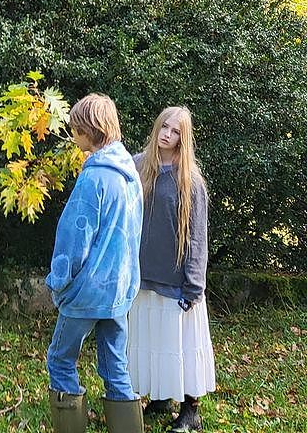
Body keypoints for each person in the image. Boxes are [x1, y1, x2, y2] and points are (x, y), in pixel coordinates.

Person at [46, 93, 144, 433]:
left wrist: (58, 282)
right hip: (119, 291)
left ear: (90, 129)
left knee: (60, 360)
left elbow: (74, 240)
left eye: (77, 128)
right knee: (116, 366)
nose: (73, 135)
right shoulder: (130, 175)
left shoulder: (93, 179)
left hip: (87, 294)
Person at [128, 106, 216, 432]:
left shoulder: (190, 181)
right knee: (154, 341)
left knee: (181, 345)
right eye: (164, 126)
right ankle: (162, 396)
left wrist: (194, 285)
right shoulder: (139, 166)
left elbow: (197, 236)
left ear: (184, 137)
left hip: (178, 282)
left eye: (175, 130)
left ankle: (190, 410)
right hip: (144, 275)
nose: (167, 134)